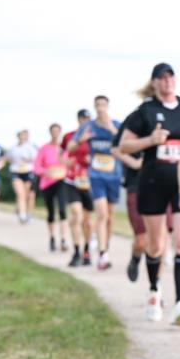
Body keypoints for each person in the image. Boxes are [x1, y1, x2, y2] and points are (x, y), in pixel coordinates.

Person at [117, 63, 180, 324]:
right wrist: (150, 141)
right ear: (154, 83)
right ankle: (154, 291)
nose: (166, 82)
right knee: (156, 245)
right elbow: (123, 146)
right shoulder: (145, 111)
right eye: (161, 78)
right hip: (152, 183)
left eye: (170, 77)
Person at [111, 99, 174, 284]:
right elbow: (116, 148)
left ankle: (156, 287)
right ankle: (136, 257)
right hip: (136, 185)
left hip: (161, 184)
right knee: (141, 240)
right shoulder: (135, 118)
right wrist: (135, 163)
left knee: (161, 238)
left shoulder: (172, 118)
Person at [71, 95, 122, 270]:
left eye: (103, 104)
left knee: (110, 216)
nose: (100, 108)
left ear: (108, 106)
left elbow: (128, 144)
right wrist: (80, 139)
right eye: (97, 105)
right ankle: (102, 254)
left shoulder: (117, 125)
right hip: (96, 175)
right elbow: (70, 147)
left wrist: (114, 132)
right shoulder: (88, 126)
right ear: (94, 106)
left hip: (114, 176)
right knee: (101, 214)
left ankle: (105, 247)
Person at [63, 109, 95, 267]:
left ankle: (87, 250)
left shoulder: (96, 137)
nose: (85, 121)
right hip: (72, 180)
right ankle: (76, 251)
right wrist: (65, 162)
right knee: (76, 214)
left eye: (88, 119)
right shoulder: (70, 136)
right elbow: (62, 153)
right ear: (78, 119)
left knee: (87, 221)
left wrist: (93, 160)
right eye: (83, 118)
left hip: (89, 181)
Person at [34, 123, 70, 252]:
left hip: (61, 181)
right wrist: (45, 172)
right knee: (51, 212)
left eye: (57, 131)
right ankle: (52, 238)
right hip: (47, 183)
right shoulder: (44, 148)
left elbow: (70, 164)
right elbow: (36, 167)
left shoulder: (64, 149)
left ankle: (64, 239)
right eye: (53, 131)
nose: (55, 133)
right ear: (50, 132)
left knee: (62, 210)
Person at [7, 129, 38, 223]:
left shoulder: (30, 147)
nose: (22, 137)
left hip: (27, 172)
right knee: (20, 193)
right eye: (21, 135)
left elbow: (36, 159)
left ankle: (28, 213)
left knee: (28, 194)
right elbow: (8, 158)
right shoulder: (13, 148)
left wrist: (26, 160)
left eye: (24, 135)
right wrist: (11, 160)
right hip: (16, 172)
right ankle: (22, 215)